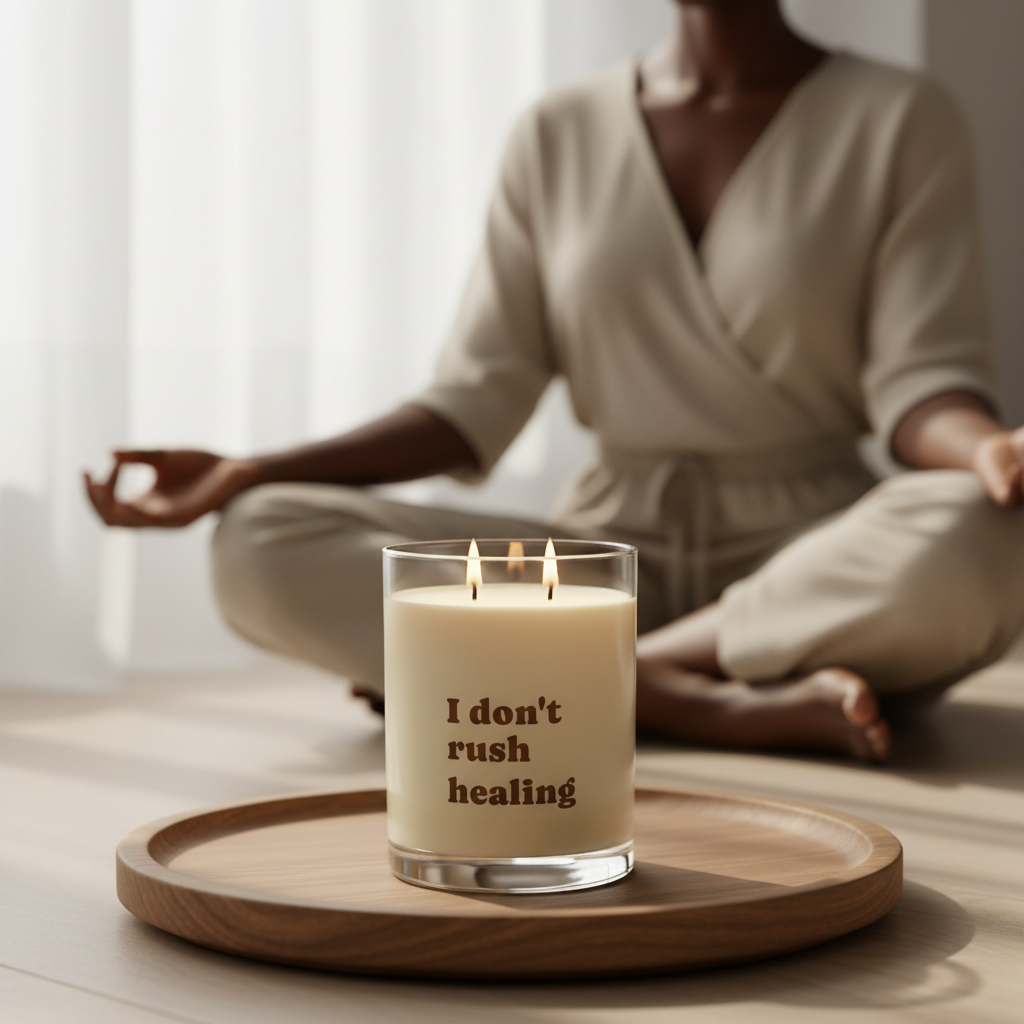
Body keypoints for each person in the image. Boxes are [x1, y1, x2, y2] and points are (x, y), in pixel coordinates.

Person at [85, 0, 1024, 763]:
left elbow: (922, 382)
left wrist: (990, 452)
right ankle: (701, 704)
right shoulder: (557, 132)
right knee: (258, 539)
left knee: (987, 530)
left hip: (815, 559)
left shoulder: (899, 115)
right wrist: (249, 471)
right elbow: (472, 400)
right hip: (599, 557)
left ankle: (548, 683)